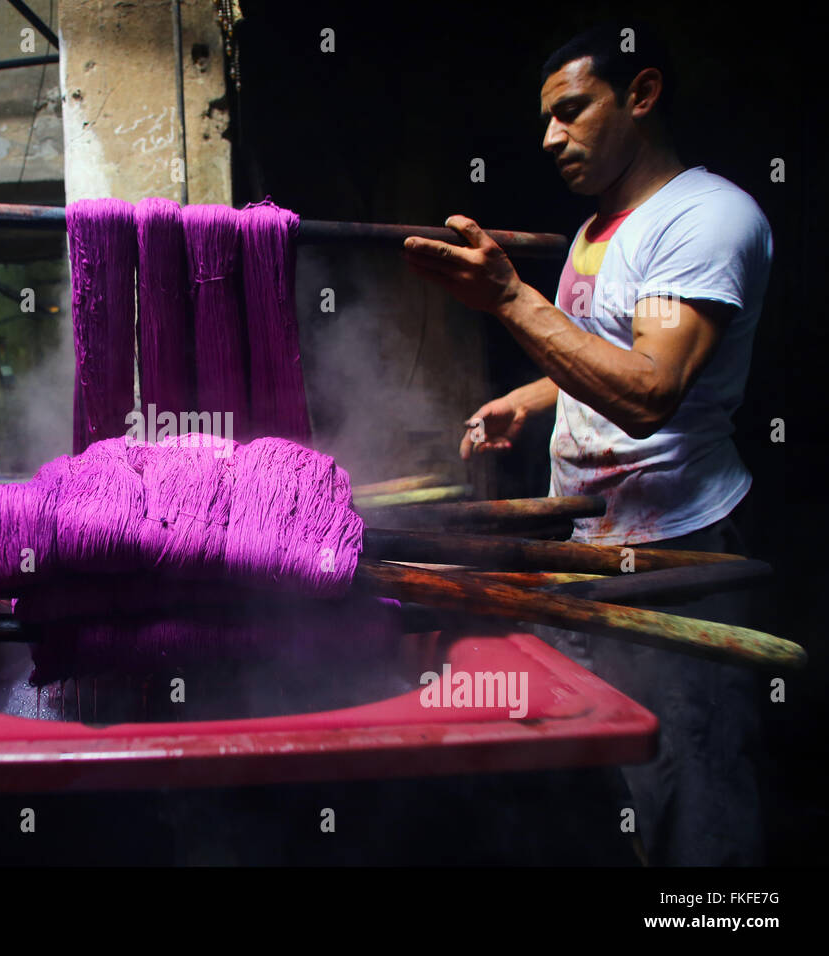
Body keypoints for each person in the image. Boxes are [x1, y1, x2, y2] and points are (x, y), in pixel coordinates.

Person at [401, 23, 773, 865]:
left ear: (641, 95)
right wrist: (529, 399)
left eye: (571, 112)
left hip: (680, 553)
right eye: (546, 120)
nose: (549, 138)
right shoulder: (599, 228)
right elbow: (596, 349)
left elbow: (647, 392)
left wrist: (508, 298)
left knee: (693, 783)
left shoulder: (706, 220)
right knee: (616, 781)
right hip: (593, 548)